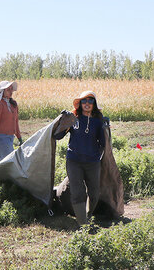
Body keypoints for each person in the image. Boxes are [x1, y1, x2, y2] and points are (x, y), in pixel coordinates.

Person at [54, 91, 105, 226]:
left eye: (90, 101)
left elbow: (103, 144)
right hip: (74, 161)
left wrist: (96, 156)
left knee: (94, 193)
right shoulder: (73, 118)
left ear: (94, 104)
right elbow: (57, 136)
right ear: (80, 104)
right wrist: (63, 121)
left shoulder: (98, 121)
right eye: (84, 101)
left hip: (92, 162)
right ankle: (83, 225)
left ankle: (88, 216)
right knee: (78, 192)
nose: (87, 103)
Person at [0, 80, 22, 169]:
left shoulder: (13, 104)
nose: (11, 91)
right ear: (2, 91)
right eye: (8, 89)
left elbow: (15, 122)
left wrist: (19, 137)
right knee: (10, 160)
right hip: (1, 138)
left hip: (10, 138)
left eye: (11, 89)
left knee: (2, 160)